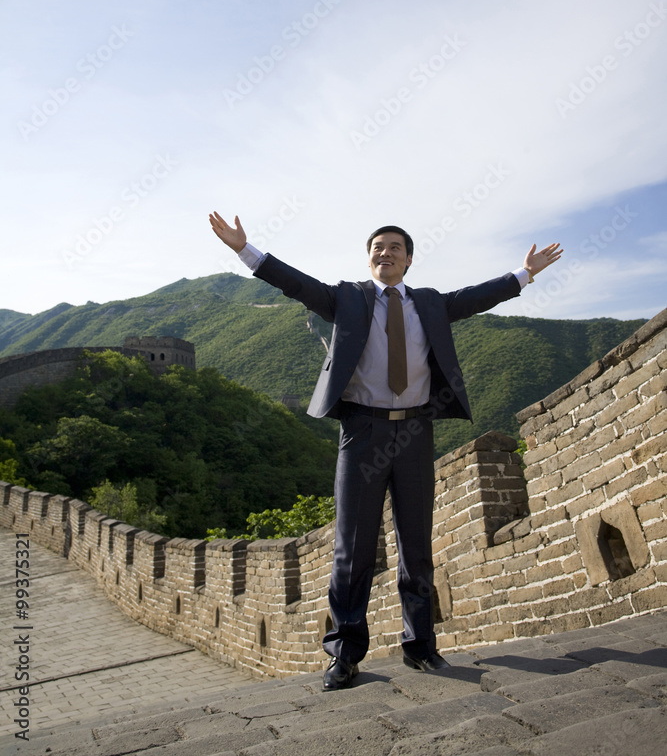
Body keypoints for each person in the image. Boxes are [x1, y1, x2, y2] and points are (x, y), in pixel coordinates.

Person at [209, 210, 562, 690]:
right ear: (369, 257)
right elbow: (296, 284)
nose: (386, 252)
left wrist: (526, 272)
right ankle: (345, 654)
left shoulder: (430, 304)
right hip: (363, 430)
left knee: (415, 544)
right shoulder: (347, 299)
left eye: (395, 247)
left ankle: (420, 646)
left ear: (409, 259)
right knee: (352, 547)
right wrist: (244, 250)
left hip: (416, 431)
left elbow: (478, 298)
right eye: (378, 246)